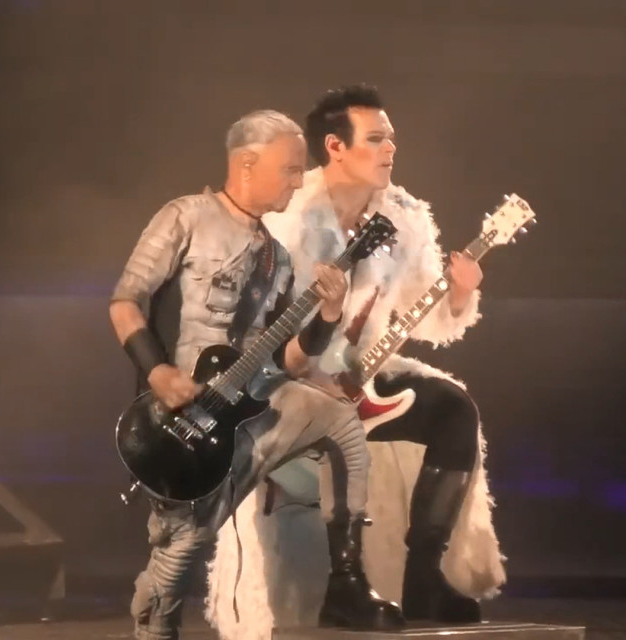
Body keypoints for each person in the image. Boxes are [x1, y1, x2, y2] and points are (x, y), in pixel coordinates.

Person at [206, 87, 506, 638]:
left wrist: (461, 292)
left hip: (362, 372)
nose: (391, 147)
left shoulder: (406, 216)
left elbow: (430, 319)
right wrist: (308, 373)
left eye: (391, 137)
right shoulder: (286, 215)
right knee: (334, 422)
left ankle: (423, 574)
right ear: (334, 147)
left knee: (453, 409)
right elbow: (247, 325)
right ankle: (345, 585)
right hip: (282, 378)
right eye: (376, 138)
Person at [109, 109, 404, 640]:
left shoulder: (278, 258)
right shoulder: (185, 217)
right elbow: (125, 302)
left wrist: (329, 315)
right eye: (289, 169)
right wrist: (157, 373)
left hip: (251, 403)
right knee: (187, 542)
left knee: (343, 423)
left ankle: (347, 579)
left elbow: (290, 360)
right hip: (181, 416)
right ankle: (155, 624)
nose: (298, 180)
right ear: (247, 164)